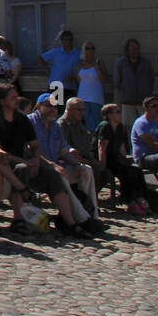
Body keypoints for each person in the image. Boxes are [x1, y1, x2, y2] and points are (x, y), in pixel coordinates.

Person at [0, 84, 87, 236]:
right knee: (21, 169)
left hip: (27, 162)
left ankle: (70, 222)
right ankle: (18, 219)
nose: (16, 100)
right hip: (6, 163)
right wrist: (27, 162)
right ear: (2, 101)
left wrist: (35, 159)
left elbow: (34, 145)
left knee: (53, 175)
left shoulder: (21, 118)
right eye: (13, 97)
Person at [29, 92, 102, 232]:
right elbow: (30, 152)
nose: (53, 110)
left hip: (57, 166)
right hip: (39, 168)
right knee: (60, 175)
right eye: (49, 106)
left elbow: (63, 152)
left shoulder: (55, 126)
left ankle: (93, 215)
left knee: (86, 169)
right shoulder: (30, 123)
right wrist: (52, 165)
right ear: (38, 106)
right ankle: (82, 218)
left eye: (56, 107)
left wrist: (77, 165)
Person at [95, 104, 150, 214]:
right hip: (103, 157)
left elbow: (122, 147)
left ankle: (140, 197)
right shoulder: (105, 126)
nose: (120, 114)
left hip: (115, 157)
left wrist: (125, 160)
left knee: (136, 170)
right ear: (109, 115)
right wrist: (102, 166)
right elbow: (102, 148)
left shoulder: (120, 127)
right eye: (117, 112)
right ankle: (129, 201)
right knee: (124, 173)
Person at [114, 40, 154, 127]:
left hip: (143, 101)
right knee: (128, 126)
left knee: (145, 125)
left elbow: (151, 79)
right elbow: (117, 81)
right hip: (127, 101)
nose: (134, 51)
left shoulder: (146, 63)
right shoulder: (121, 63)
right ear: (127, 50)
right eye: (132, 48)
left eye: (136, 48)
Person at [74, 42, 112, 132]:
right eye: (87, 48)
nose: (90, 50)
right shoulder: (80, 64)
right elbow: (78, 80)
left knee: (97, 122)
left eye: (92, 48)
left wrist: (97, 69)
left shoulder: (99, 62)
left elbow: (104, 80)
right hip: (83, 97)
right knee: (85, 122)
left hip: (96, 98)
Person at [39, 28, 81, 101]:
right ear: (61, 41)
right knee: (54, 108)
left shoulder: (77, 53)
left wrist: (74, 77)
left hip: (70, 86)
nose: (68, 41)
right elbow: (40, 58)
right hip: (56, 84)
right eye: (65, 39)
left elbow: (84, 66)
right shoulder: (56, 52)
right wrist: (48, 72)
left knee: (68, 108)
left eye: (70, 39)